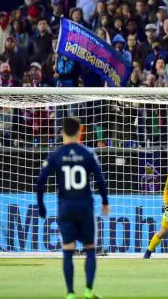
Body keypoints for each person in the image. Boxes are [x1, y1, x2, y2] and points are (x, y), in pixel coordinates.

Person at [36, 117, 110, 299]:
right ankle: (88, 290)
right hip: (85, 206)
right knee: (90, 248)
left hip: (66, 207)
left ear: (62, 132)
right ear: (80, 131)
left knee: (68, 249)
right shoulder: (88, 153)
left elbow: (40, 182)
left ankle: (70, 293)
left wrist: (41, 206)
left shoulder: (56, 154)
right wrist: (105, 201)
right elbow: (100, 180)